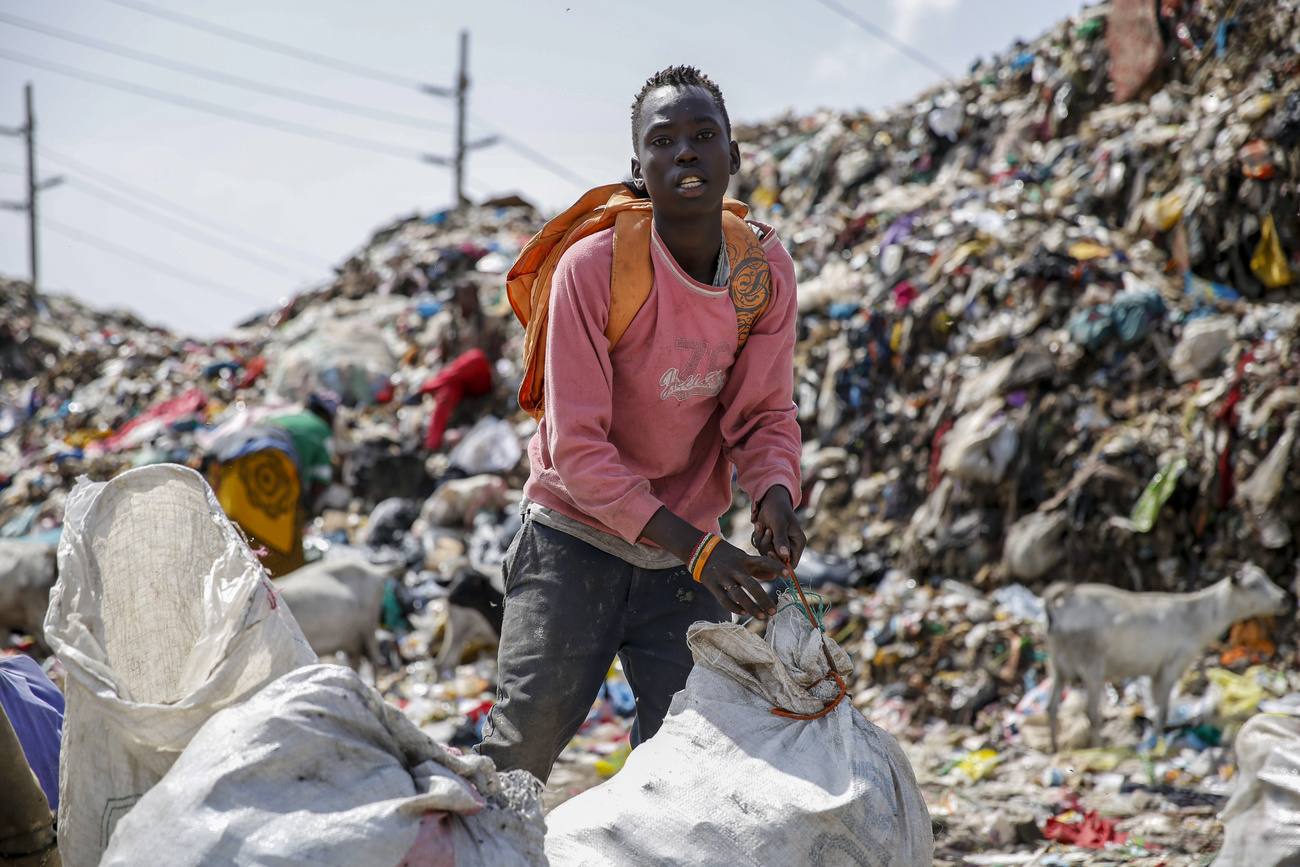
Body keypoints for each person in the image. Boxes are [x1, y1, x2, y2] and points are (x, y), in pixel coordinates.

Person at [477, 66, 805, 783]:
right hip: (574, 534)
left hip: (681, 556)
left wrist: (775, 493)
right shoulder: (593, 269)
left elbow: (763, 412)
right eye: (664, 141)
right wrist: (702, 552)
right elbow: (579, 453)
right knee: (525, 740)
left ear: (733, 157)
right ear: (638, 169)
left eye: (703, 136)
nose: (685, 152)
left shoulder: (762, 271)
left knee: (684, 760)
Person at [205, 394, 337, 577]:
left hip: (231, 464)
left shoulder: (281, 417)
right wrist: (308, 512)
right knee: (284, 551)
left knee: (237, 531)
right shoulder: (322, 429)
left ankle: (240, 581)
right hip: (271, 466)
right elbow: (321, 479)